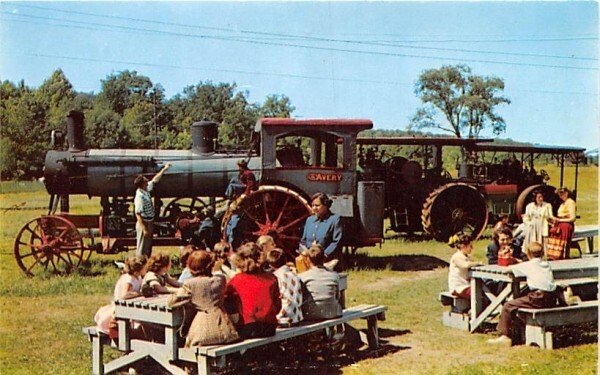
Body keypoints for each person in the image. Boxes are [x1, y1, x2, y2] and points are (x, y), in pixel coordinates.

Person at [488, 242, 559, 345]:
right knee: (522, 298)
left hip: (537, 298)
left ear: (528, 254)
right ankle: (516, 329)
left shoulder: (527, 265)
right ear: (543, 253)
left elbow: (507, 269)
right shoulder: (546, 264)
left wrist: (514, 262)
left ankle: (505, 336)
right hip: (552, 298)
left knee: (508, 305)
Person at [184, 250, 240, 347]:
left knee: (187, 342)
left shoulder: (190, 283)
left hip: (202, 328)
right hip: (225, 327)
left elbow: (172, 302)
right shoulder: (220, 279)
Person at [225, 242, 281, 338]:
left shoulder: (237, 280)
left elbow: (225, 300)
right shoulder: (271, 278)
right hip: (270, 327)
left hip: (248, 326)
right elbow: (278, 305)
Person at [94, 255, 147, 338]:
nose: (146, 269)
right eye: (145, 268)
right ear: (137, 271)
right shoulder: (129, 280)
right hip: (120, 308)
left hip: (130, 307)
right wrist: (139, 293)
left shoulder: (138, 277)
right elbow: (124, 295)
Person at [134, 162, 172, 257]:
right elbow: (138, 214)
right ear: (142, 184)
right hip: (144, 223)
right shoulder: (140, 196)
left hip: (149, 222)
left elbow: (155, 180)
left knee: (147, 246)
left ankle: (145, 263)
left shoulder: (145, 190)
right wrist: (144, 229)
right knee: (142, 246)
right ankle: (139, 264)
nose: (148, 179)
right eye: (145, 179)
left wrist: (164, 169)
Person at [298, 244, 342, 320]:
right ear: (324, 258)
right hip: (333, 312)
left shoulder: (302, 277)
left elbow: (301, 297)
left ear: (308, 260)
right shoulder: (334, 275)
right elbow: (338, 296)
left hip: (311, 314)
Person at [300, 192, 343, 262]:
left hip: (327, 260)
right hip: (309, 260)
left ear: (325, 205)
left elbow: (336, 242)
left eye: (317, 205)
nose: (314, 208)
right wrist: (305, 253)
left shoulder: (334, 219)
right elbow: (303, 242)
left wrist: (324, 255)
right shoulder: (309, 220)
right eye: (312, 205)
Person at [266, 248, 304, 327]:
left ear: (270, 265)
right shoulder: (295, 275)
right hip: (297, 316)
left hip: (282, 318)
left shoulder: (275, 277)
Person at [447, 234, 483, 300]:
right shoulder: (456, 257)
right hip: (458, 287)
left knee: (482, 290)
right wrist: (478, 263)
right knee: (478, 294)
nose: (472, 248)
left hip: (465, 285)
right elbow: (465, 265)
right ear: (463, 246)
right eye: (470, 246)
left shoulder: (465, 256)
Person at [547, 187, 576, 259]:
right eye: (559, 195)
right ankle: (555, 256)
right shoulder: (563, 203)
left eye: (562, 194)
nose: (560, 196)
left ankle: (562, 258)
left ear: (566, 193)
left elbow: (573, 218)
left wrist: (560, 220)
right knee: (556, 242)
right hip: (559, 225)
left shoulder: (570, 202)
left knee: (562, 244)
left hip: (566, 225)